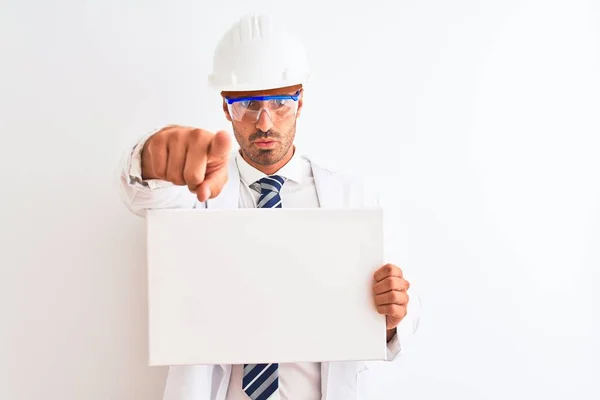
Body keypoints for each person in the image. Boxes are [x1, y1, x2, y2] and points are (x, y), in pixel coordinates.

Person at [118, 13, 421, 400]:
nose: (264, 123)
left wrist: (392, 319)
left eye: (280, 103)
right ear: (226, 107)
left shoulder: (352, 197)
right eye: (247, 104)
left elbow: (398, 314)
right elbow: (144, 193)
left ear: (301, 102)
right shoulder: (195, 194)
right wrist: (150, 159)